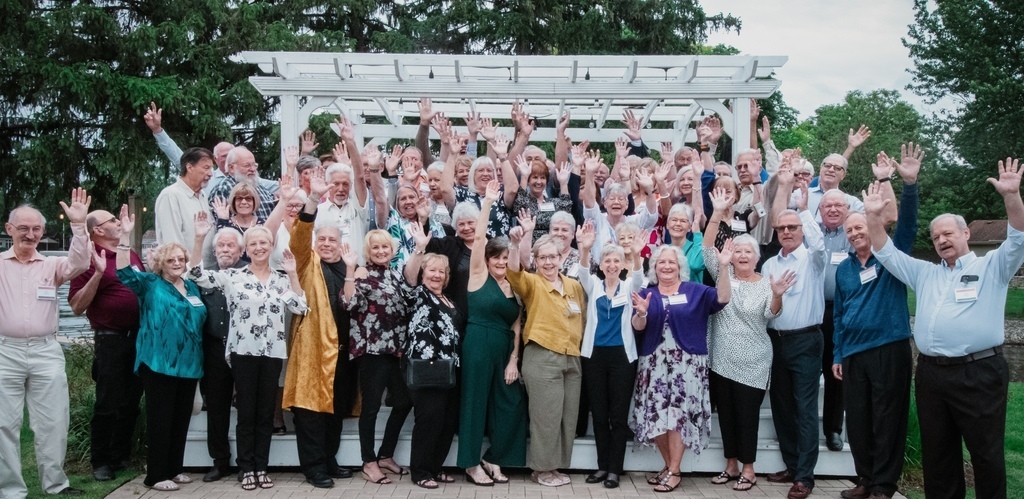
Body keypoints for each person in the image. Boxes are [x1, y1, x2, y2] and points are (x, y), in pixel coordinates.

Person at [866, 156, 1023, 499]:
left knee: (986, 455)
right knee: (938, 458)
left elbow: (1018, 239)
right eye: (936, 236)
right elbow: (885, 251)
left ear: (966, 233)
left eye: (948, 233)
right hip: (932, 376)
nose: (941, 240)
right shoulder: (926, 273)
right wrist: (873, 216)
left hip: (978, 373)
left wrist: (1012, 196)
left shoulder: (992, 266)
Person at [187, 220, 308, 491]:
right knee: (247, 412)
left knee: (265, 412)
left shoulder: (279, 279)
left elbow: (301, 307)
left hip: (272, 352)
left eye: (263, 242)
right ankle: (246, 468)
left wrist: (292, 274)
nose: (259, 247)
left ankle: (261, 466)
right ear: (246, 249)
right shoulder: (233, 277)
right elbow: (194, 273)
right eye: (253, 243)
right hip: (243, 351)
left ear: (271, 246)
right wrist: (198, 239)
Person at [832, 143, 922, 499]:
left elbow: (910, 225)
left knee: (888, 419)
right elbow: (839, 315)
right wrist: (838, 354)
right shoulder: (845, 269)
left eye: (861, 228)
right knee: (858, 419)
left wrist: (908, 185)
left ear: (873, 227)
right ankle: (865, 479)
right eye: (850, 231)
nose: (855, 234)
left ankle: (884, 485)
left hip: (888, 347)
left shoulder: (891, 258)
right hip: (853, 352)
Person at [0, 190, 91, 498]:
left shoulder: (51, 265)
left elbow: (81, 261)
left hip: (45, 351)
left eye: (36, 228)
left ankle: (56, 485)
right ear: (9, 229)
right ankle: (10, 490)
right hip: (4, 351)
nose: (30, 234)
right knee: (4, 425)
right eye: (23, 228)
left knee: (53, 421)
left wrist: (79, 225)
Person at [116, 207, 206, 492]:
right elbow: (122, 272)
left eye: (181, 259)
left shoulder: (192, 287)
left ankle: (174, 468)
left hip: (189, 362)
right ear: (161, 263)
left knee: (181, 419)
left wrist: (199, 239)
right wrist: (124, 237)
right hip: (158, 361)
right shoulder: (150, 283)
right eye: (172, 259)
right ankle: (155, 475)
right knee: (161, 418)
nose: (177, 263)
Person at [630, 244, 729, 493]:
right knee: (653, 417)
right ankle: (669, 466)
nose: (666, 266)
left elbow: (723, 298)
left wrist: (724, 267)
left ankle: (673, 471)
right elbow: (638, 326)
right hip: (653, 364)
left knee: (677, 419)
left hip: (687, 365)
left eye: (671, 262)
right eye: (661, 262)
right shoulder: (646, 292)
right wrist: (641, 313)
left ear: (680, 267)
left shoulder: (695, 291)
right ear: (654, 267)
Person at [506, 183, 587, 487]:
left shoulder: (574, 286)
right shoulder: (532, 283)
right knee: (546, 417)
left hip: (571, 357)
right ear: (537, 261)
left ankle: (556, 466)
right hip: (543, 358)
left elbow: (583, 318)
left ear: (561, 258)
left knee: (567, 418)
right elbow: (514, 273)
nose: (550, 262)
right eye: (544, 258)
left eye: (554, 257)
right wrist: (517, 243)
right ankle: (541, 470)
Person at [702, 232, 793, 492]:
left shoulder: (767, 283)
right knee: (727, 416)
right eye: (738, 251)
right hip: (720, 360)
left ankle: (748, 469)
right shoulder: (723, 276)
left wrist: (777, 295)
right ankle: (730, 466)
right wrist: (717, 213)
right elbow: (707, 247)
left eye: (748, 252)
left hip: (753, 362)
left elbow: (771, 313)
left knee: (747, 416)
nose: (742, 255)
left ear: (757, 257)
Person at [283, 173, 355, 488]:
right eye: (322, 240)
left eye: (332, 240)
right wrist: (313, 199)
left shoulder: (350, 267)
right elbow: (300, 237)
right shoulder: (306, 262)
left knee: (335, 410)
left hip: (343, 352)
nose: (326, 244)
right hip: (313, 349)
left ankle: (329, 459)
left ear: (342, 244)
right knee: (311, 410)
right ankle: (313, 468)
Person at [761, 165, 826, 499]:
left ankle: (805, 476)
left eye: (793, 227)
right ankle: (791, 463)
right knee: (782, 406)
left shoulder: (813, 259)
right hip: (777, 341)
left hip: (805, 339)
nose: (787, 232)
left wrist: (803, 210)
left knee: (804, 408)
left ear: (801, 229)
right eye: (782, 227)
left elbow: (818, 243)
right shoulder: (770, 266)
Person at [68, 206, 145, 482]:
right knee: (108, 402)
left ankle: (119, 455)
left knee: (131, 401)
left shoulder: (130, 254)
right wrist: (98, 275)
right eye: (112, 220)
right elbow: (76, 305)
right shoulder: (88, 259)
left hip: (138, 338)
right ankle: (100, 461)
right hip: (111, 340)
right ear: (97, 230)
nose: (118, 221)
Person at [456, 187, 527, 486]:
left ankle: (494, 457)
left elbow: (516, 325)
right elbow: (480, 238)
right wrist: (486, 203)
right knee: (474, 403)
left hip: (504, 349)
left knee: (512, 402)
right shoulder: (478, 276)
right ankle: (471, 464)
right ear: (486, 260)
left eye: (504, 258)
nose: (500, 262)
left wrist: (514, 360)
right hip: (478, 344)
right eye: (495, 258)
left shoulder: (513, 286)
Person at [574, 223, 644, 489]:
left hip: (622, 358)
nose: (612, 265)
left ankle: (615, 469)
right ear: (601, 265)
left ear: (621, 264)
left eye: (616, 260)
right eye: (607, 260)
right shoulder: (593, 285)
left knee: (618, 416)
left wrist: (636, 254)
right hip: (594, 356)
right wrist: (586, 249)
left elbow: (638, 276)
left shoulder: (629, 287)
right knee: (600, 415)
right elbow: (582, 271)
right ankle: (603, 466)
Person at [343, 230, 414, 485]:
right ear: (368, 250)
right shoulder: (362, 273)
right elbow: (349, 303)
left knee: (404, 400)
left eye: (385, 246)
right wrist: (350, 271)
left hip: (395, 350)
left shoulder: (395, 274)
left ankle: (385, 454)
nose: (381, 251)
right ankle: (368, 462)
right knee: (371, 407)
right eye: (376, 247)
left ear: (392, 250)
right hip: (371, 351)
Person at [400, 229, 464, 489]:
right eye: (432, 271)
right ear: (424, 274)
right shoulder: (419, 295)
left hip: (449, 369)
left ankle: (435, 468)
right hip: (425, 367)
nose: (436, 275)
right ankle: (421, 471)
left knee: (447, 421)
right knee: (429, 420)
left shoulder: (448, 300)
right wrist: (419, 249)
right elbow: (408, 280)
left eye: (441, 272)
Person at [193, 227, 246, 482]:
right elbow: (189, 272)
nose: (225, 250)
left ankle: (248, 463)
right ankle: (220, 461)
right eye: (221, 246)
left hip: (245, 349)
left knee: (248, 406)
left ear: (241, 250)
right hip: (214, 349)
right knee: (216, 408)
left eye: (231, 246)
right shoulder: (206, 278)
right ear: (214, 251)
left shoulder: (250, 275)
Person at [154, 147, 214, 251]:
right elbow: (172, 242)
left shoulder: (203, 195)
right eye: (206, 168)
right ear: (189, 168)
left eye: (211, 168)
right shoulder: (170, 196)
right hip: (182, 265)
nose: (210, 173)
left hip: (208, 266)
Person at [205, 146, 279, 219]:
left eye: (254, 165)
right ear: (231, 168)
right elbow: (221, 224)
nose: (253, 169)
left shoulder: (259, 187)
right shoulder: (223, 189)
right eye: (247, 165)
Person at [511, 156, 574, 241]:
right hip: (530, 249)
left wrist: (563, 183)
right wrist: (524, 177)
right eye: (535, 177)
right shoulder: (524, 202)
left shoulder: (553, 202)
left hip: (553, 248)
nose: (539, 182)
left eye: (543, 178)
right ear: (528, 181)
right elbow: (520, 204)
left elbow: (566, 211)